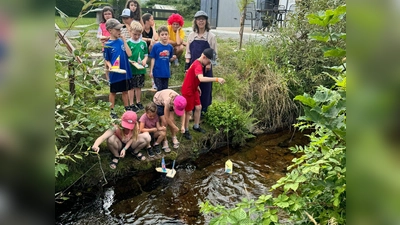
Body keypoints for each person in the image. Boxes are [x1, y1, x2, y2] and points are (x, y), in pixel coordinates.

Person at [181, 48, 225, 140]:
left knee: (198, 107)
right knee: (188, 111)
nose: (209, 63)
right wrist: (216, 79)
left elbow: (190, 73)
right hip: (188, 90)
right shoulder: (198, 65)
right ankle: (186, 130)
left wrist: (197, 86)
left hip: (194, 89)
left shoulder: (198, 62)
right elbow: (201, 78)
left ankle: (196, 126)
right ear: (204, 57)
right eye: (209, 61)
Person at [185, 11, 217, 115]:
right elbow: (188, 53)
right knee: (193, 89)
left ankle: (203, 111)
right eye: (199, 19)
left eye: (203, 19)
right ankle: (192, 109)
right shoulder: (191, 35)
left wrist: (209, 64)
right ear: (196, 21)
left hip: (206, 68)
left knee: (205, 89)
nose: (201, 21)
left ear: (206, 21)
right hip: (194, 67)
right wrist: (187, 66)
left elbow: (215, 54)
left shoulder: (211, 36)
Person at [103, 18, 133, 119]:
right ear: (110, 30)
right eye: (117, 30)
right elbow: (106, 59)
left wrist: (124, 41)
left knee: (125, 91)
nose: (119, 32)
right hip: (115, 72)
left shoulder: (121, 41)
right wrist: (109, 65)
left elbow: (129, 54)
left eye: (120, 29)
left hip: (125, 72)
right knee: (113, 92)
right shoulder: (107, 45)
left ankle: (127, 108)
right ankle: (111, 110)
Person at [127, 21, 148, 112]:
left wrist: (144, 60)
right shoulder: (128, 43)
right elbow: (125, 56)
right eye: (135, 34)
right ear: (130, 31)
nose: (136, 36)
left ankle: (138, 102)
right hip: (131, 69)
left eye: (138, 35)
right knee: (131, 87)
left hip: (140, 69)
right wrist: (130, 61)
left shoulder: (143, 43)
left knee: (139, 86)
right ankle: (131, 103)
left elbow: (146, 55)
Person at [149, 25, 177, 91]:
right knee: (159, 90)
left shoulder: (170, 47)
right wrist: (151, 71)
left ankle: (163, 101)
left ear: (168, 35)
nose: (164, 36)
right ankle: (157, 101)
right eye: (162, 34)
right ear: (159, 36)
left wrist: (173, 58)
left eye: (166, 34)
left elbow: (169, 59)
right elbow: (153, 58)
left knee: (165, 90)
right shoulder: (156, 46)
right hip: (157, 72)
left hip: (166, 72)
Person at [97, 6, 115, 81]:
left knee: (114, 63)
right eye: (105, 14)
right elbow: (99, 35)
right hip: (105, 47)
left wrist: (108, 37)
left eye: (109, 14)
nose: (107, 15)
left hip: (114, 46)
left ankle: (114, 77)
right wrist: (105, 37)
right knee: (106, 64)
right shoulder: (101, 25)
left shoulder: (115, 23)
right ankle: (108, 79)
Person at [142, 13, 158, 90]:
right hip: (144, 51)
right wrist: (149, 39)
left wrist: (154, 28)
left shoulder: (152, 29)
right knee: (152, 43)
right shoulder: (142, 29)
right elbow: (139, 38)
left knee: (153, 43)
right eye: (152, 19)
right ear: (147, 21)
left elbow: (155, 38)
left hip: (151, 50)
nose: (153, 20)